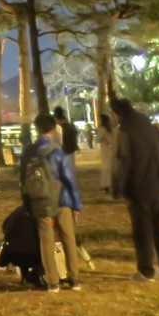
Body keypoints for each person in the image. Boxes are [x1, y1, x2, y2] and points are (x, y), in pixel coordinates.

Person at [111, 97, 159, 281]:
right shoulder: (149, 126)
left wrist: (117, 187)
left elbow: (122, 161)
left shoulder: (125, 130)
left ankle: (146, 271)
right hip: (157, 184)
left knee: (143, 231)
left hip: (138, 186)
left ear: (117, 114)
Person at [21, 112, 84, 292]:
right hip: (62, 200)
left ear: (37, 128)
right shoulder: (57, 151)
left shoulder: (29, 152)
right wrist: (76, 204)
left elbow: (23, 181)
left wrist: (28, 203)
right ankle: (74, 278)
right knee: (68, 238)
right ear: (53, 129)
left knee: (46, 241)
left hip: (41, 201)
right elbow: (69, 179)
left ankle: (52, 281)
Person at [96, 113, 116, 193]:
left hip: (105, 150)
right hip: (111, 150)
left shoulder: (103, 130)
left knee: (106, 168)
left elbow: (97, 139)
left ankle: (106, 185)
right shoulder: (112, 129)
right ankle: (111, 184)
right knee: (110, 167)